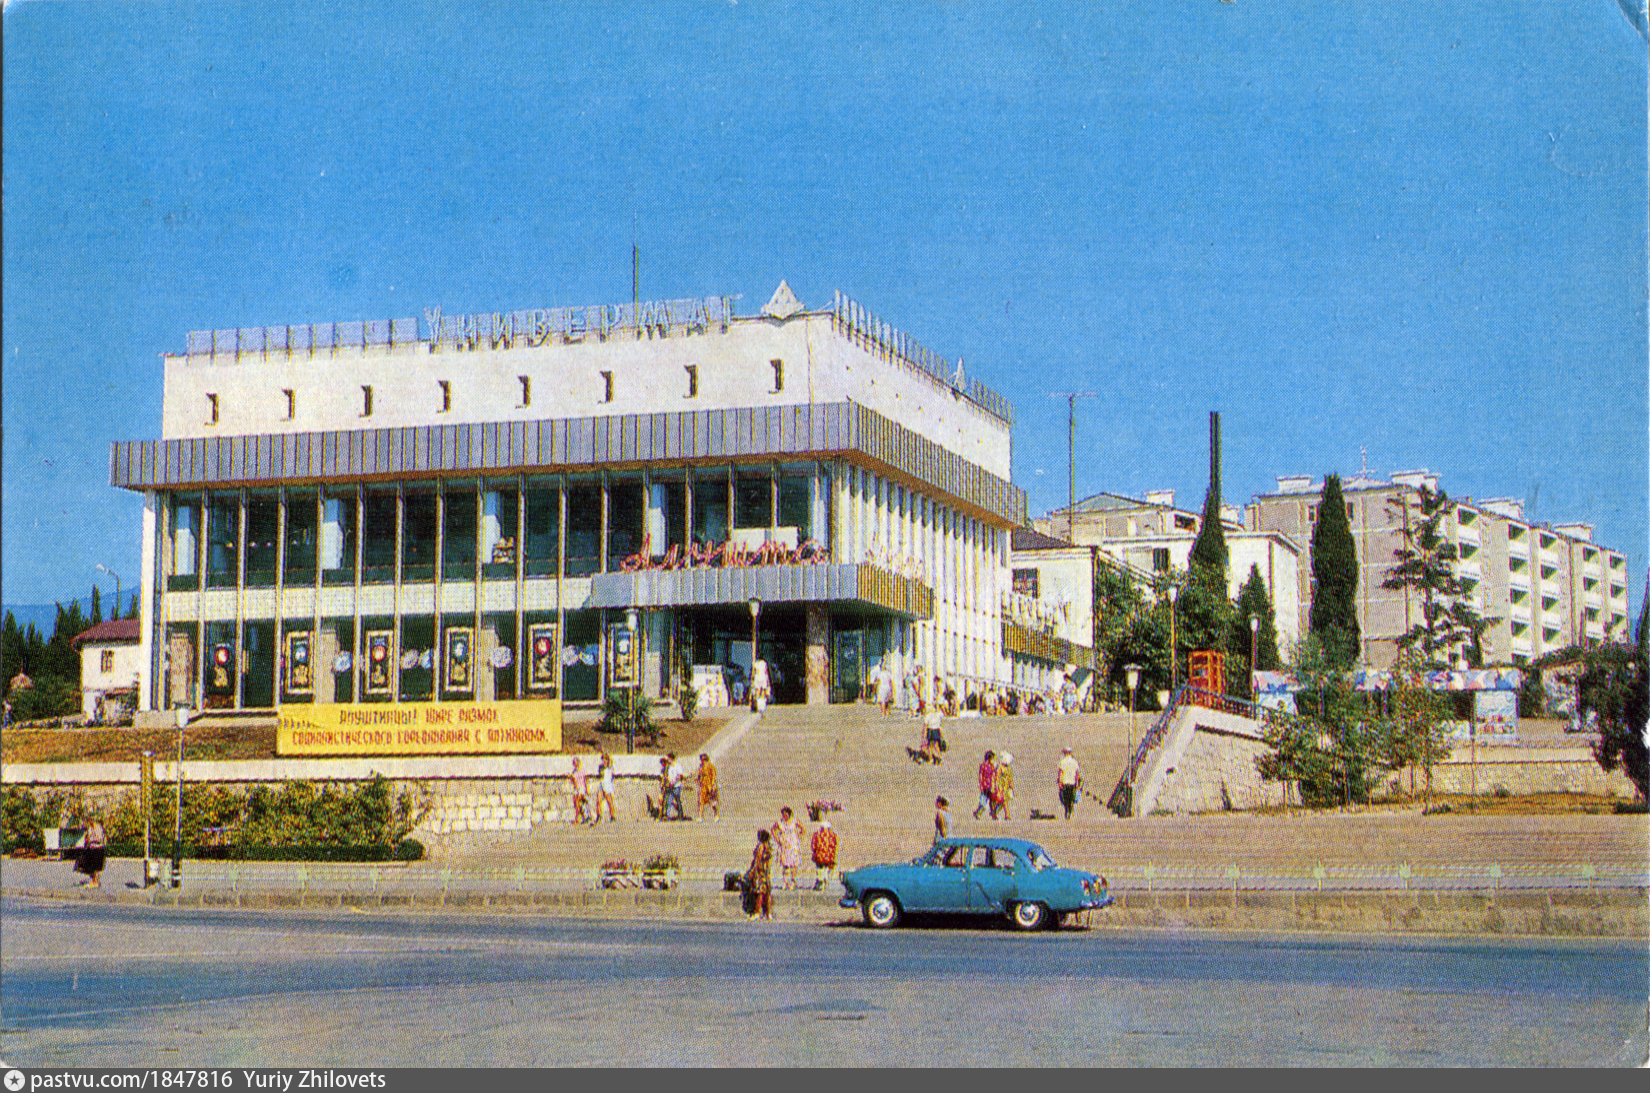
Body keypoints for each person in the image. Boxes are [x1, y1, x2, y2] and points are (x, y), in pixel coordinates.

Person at [771, 806, 805, 889]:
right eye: (783, 815)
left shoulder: (794, 821)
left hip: (793, 844)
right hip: (784, 844)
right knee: (785, 863)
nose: (784, 816)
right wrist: (778, 839)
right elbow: (773, 830)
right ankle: (785, 881)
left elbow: (803, 829)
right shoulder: (780, 823)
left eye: (786, 815)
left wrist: (798, 837)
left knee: (794, 863)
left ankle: (793, 881)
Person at [744, 829, 774, 921]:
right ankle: (768, 913)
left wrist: (752, 871)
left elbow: (758, 860)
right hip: (767, 872)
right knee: (767, 893)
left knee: (759, 893)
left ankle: (757, 912)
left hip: (760, 872)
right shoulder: (769, 847)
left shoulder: (761, 847)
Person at [75, 817, 106, 888]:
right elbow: (86, 837)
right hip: (91, 849)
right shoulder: (90, 828)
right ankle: (93, 881)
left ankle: (96, 882)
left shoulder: (98, 828)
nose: (90, 822)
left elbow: (99, 839)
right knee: (91, 867)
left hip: (98, 849)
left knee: (97, 867)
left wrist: (91, 839)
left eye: (91, 821)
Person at [810, 818, 839, 890]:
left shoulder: (817, 834)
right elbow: (835, 845)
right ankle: (824, 880)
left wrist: (814, 852)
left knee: (820, 868)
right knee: (826, 868)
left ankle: (821, 880)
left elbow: (813, 845)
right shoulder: (833, 835)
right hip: (829, 856)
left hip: (819, 855)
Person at [1057, 746, 1083, 820]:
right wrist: (1077, 783)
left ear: (1065, 753)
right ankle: (1071, 811)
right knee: (1071, 798)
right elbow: (1077, 773)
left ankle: (1067, 810)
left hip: (1065, 782)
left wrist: (1060, 781)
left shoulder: (1062, 762)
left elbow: (1060, 772)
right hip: (1072, 783)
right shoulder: (1075, 762)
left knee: (1065, 798)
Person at [695, 752, 720, 821]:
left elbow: (713, 776)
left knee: (713, 802)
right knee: (701, 801)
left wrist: (713, 785)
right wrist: (697, 779)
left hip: (709, 786)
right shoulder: (701, 767)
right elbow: (698, 775)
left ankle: (716, 815)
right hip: (703, 786)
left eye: (702, 759)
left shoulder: (711, 766)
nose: (701, 761)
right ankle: (700, 816)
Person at [973, 749, 997, 819]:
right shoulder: (984, 765)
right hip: (986, 787)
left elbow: (994, 775)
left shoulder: (992, 765)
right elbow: (981, 776)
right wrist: (981, 786)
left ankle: (993, 815)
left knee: (992, 801)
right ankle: (978, 813)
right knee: (984, 802)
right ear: (990, 758)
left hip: (991, 786)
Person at [595, 752, 618, 823]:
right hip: (602, 784)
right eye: (603, 759)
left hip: (608, 784)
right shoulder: (601, 767)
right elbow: (600, 775)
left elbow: (612, 777)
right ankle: (599, 816)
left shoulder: (610, 767)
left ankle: (613, 816)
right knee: (598, 800)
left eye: (605, 759)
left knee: (609, 801)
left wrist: (612, 786)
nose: (604, 761)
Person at [992, 752, 1015, 820]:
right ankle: (1007, 816)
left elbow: (1010, 778)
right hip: (1001, 787)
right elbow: (997, 778)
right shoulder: (1000, 767)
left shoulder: (1008, 768)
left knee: (1003, 802)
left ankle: (994, 813)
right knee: (1004, 802)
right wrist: (997, 788)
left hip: (1007, 787)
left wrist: (1011, 787)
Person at [570, 757, 592, 825]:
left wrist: (587, 789)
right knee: (577, 804)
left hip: (581, 788)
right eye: (574, 763)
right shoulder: (574, 771)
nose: (575, 764)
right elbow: (573, 780)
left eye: (576, 762)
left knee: (581, 803)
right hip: (576, 789)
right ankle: (580, 817)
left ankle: (583, 817)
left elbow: (585, 780)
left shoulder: (582, 770)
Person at [664, 752, 686, 820]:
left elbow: (680, 775)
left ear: (672, 759)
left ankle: (680, 815)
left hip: (677, 785)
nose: (667, 761)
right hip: (671, 786)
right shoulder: (670, 767)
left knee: (677, 800)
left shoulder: (678, 766)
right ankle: (667, 815)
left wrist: (674, 782)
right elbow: (670, 776)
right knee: (669, 800)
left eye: (668, 759)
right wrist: (668, 780)